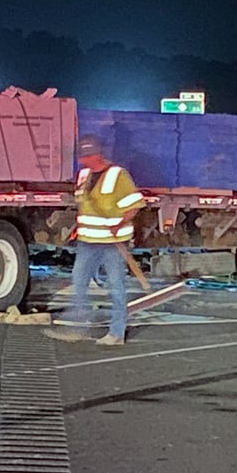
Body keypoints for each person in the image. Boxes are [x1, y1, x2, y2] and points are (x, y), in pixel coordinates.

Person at [49, 134, 146, 346]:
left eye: (87, 156)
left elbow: (135, 205)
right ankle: (78, 326)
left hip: (112, 243)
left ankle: (116, 333)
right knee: (79, 280)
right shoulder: (83, 175)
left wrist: (118, 223)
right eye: (81, 157)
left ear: (97, 155)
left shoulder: (118, 175)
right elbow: (84, 206)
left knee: (115, 286)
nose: (83, 161)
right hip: (87, 241)